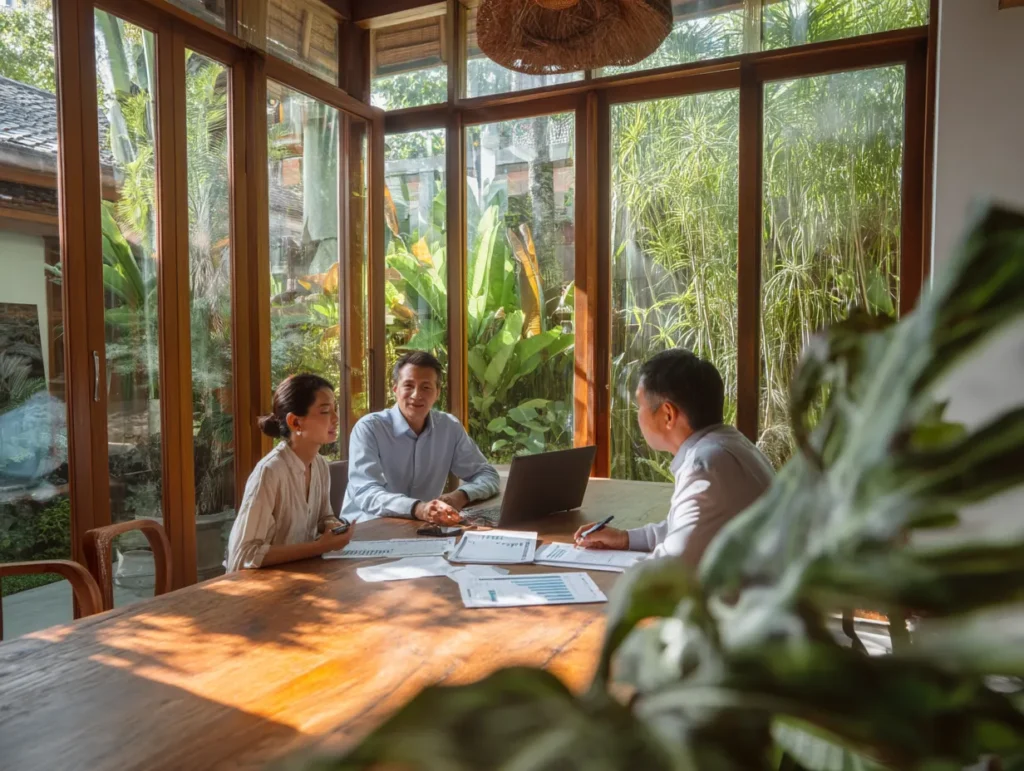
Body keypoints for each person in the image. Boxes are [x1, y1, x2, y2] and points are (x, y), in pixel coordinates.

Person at [575, 349, 774, 567]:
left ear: (668, 415)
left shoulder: (705, 466)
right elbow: (686, 528)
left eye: (639, 406)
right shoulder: (730, 445)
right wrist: (625, 539)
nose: (637, 416)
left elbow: (674, 563)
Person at [342, 350, 500, 525]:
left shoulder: (449, 428)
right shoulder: (369, 428)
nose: (416, 395)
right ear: (395, 389)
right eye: (408, 386)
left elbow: (487, 474)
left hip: (421, 528)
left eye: (426, 387)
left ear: (437, 392)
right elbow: (366, 491)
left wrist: (461, 495)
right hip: (366, 529)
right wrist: (417, 508)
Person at [225, 374, 355, 572]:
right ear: (295, 422)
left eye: (335, 409)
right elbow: (244, 555)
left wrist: (332, 525)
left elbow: (324, 516)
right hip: (260, 590)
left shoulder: (319, 464)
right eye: (326, 411)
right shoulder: (269, 472)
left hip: (300, 580)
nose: (336, 418)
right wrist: (319, 547)